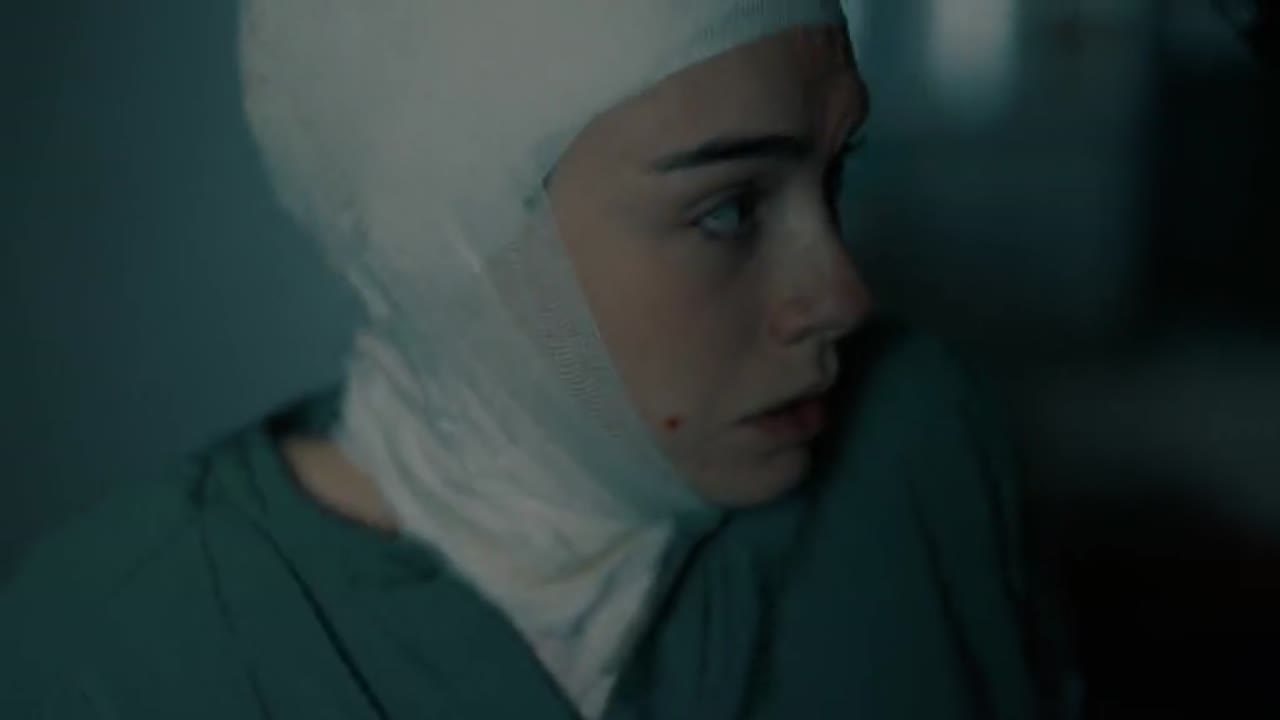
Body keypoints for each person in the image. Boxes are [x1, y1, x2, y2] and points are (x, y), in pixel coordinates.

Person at [2, 1, 1066, 717]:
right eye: (728, 209)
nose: (839, 295)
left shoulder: (914, 453)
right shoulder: (119, 649)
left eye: (833, 176)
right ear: (448, 244)